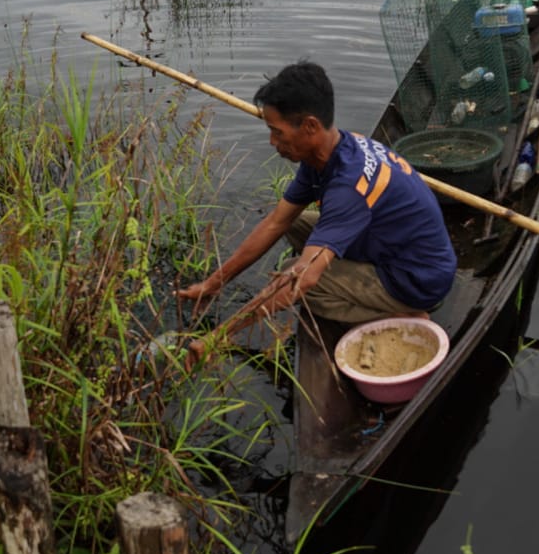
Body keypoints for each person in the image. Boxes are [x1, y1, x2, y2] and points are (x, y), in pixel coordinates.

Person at [176, 61, 456, 361]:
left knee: (305, 286)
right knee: (297, 225)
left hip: (416, 278)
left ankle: (405, 313)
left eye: (277, 132)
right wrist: (213, 284)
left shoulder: (349, 186)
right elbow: (276, 223)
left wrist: (220, 335)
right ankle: (359, 283)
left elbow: (303, 278)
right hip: (390, 245)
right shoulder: (327, 153)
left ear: (309, 126)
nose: (272, 142)